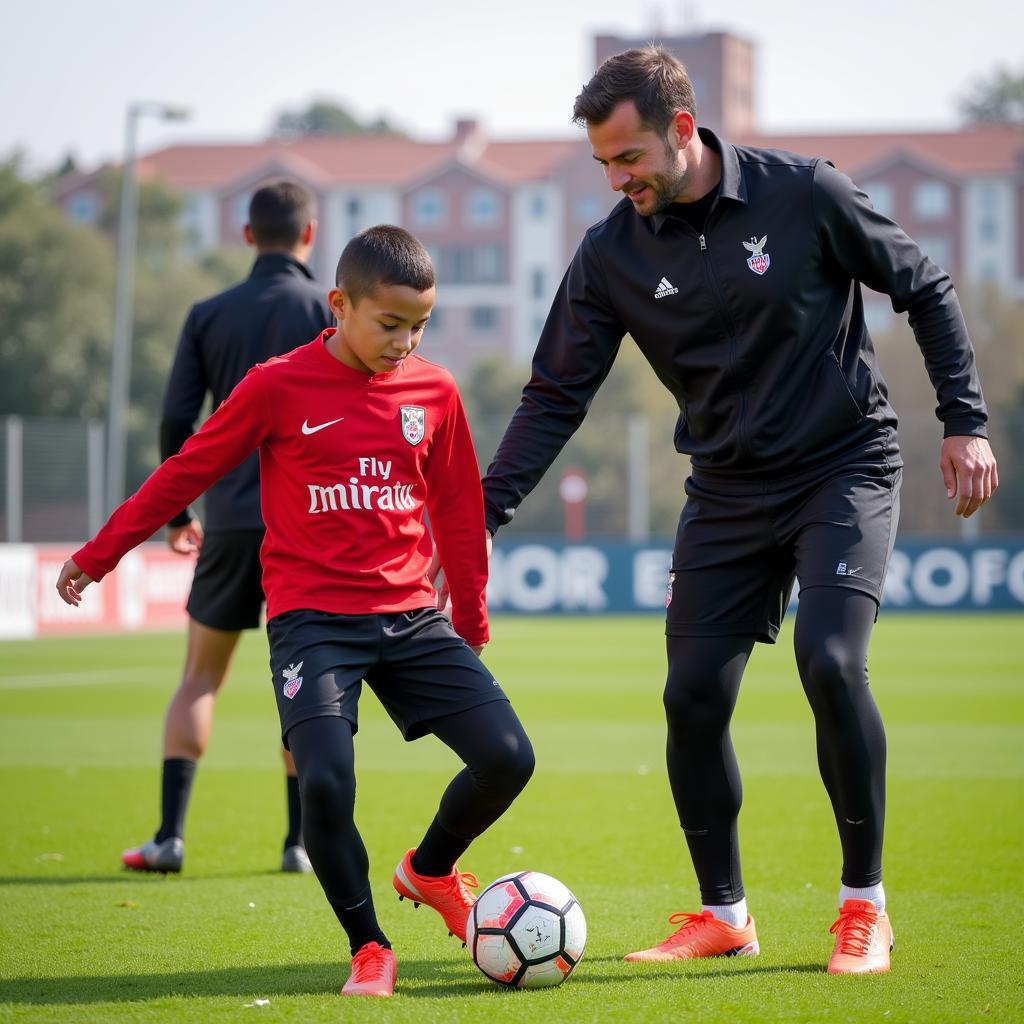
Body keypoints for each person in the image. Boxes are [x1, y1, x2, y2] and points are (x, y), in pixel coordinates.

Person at [479, 47, 997, 975]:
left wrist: (965, 422)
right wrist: (485, 511)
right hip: (724, 488)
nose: (616, 179)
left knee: (831, 664)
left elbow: (924, 287)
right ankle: (725, 913)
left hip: (843, 465)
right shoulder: (610, 253)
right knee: (691, 698)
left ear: (683, 129)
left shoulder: (807, 194)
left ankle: (863, 907)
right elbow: (556, 392)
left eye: (627, 157)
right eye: (602, 163)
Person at [56, 226, 535, 998]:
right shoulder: (277, 385)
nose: (404, 341)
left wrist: (470, 624)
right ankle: (370, 947)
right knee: (323, 784)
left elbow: (457, 510)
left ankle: (430, 870)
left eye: (419, 325)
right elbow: (188, 471)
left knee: (510, 757)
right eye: (389, 324)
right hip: (314, 623)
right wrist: (101, 553)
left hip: (413, 618)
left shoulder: (434, 392)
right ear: (339, 305)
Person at [121, 180, 333, 877]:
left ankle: (170, 838)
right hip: (308, 527)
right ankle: (300, 844)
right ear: (310, 234)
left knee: (199, 680)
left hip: (232, 522)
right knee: (303, 683)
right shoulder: (330, 312)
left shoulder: (209, 313)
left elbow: (175, 421)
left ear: (248, 237)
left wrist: (180, 512)